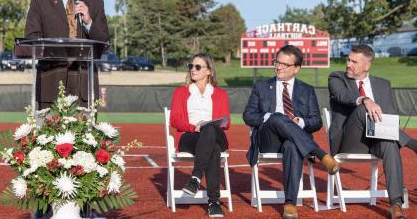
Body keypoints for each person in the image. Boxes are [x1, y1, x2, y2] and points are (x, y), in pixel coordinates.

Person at [243, 45, 341, 219]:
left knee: (291, 145)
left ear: (296, 68)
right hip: (268, 139)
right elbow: (248, 116)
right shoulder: (262, 87)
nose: (278, 67)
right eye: (276, 62)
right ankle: (321, 155)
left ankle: (290, 203)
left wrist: (301, 122)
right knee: (277, 117)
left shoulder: (307, 90)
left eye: (284, 64)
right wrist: (270, 118)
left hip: (294, 141)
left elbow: (316, 121)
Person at [328, 44, 417, 219]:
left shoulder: (383, 85)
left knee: (389, 145)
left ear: (367, 65)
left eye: (354, 61)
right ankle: (413, 144)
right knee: (363, 109)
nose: (348, 64)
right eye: (348, 59)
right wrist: (365, 99)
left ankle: (395, 205)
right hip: (350, 141)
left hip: (377, 140)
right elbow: (341, 96)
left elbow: (389, 119)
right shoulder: (337, 78)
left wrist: (390, 135)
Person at [25, 0, 109, 109]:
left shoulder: (95, 2)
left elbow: (104, 42)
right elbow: (32, 37)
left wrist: (89, 21)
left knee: (85, 134)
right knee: (49, 133)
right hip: (51, 82)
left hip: (84, 84)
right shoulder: (40, 1)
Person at [170, 53, 230, 218]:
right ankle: (214, 202)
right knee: (214, 149)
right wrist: (193, 127)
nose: (193, 70)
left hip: (216, 134)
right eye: (191, 66)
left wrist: (207, 125)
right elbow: (174, 120)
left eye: (198, 67)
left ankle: (195, 177)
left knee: (210, 129)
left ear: (209, 71)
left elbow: (226, 123)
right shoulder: (181, 92)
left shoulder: (220, 94)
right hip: (190, 136)